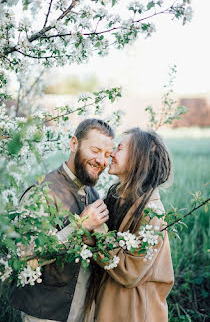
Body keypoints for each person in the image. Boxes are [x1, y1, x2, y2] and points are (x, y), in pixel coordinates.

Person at [9, 118, 114, 322]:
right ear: (73, 144)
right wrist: (79, 227)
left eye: (108, 155)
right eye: (95, 150)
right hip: (45, 313)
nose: (102, 161)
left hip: (82, 309)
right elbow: (23, 254)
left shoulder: (93, 193)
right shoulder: (41, 193)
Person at [86, 127, 174, 322]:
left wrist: (98, 234)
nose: (111, 154)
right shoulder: (117, 198)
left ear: (138, 159)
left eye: (119, 148)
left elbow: (130, 273)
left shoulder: (151, 213)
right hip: (108, 303)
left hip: (133, 311)